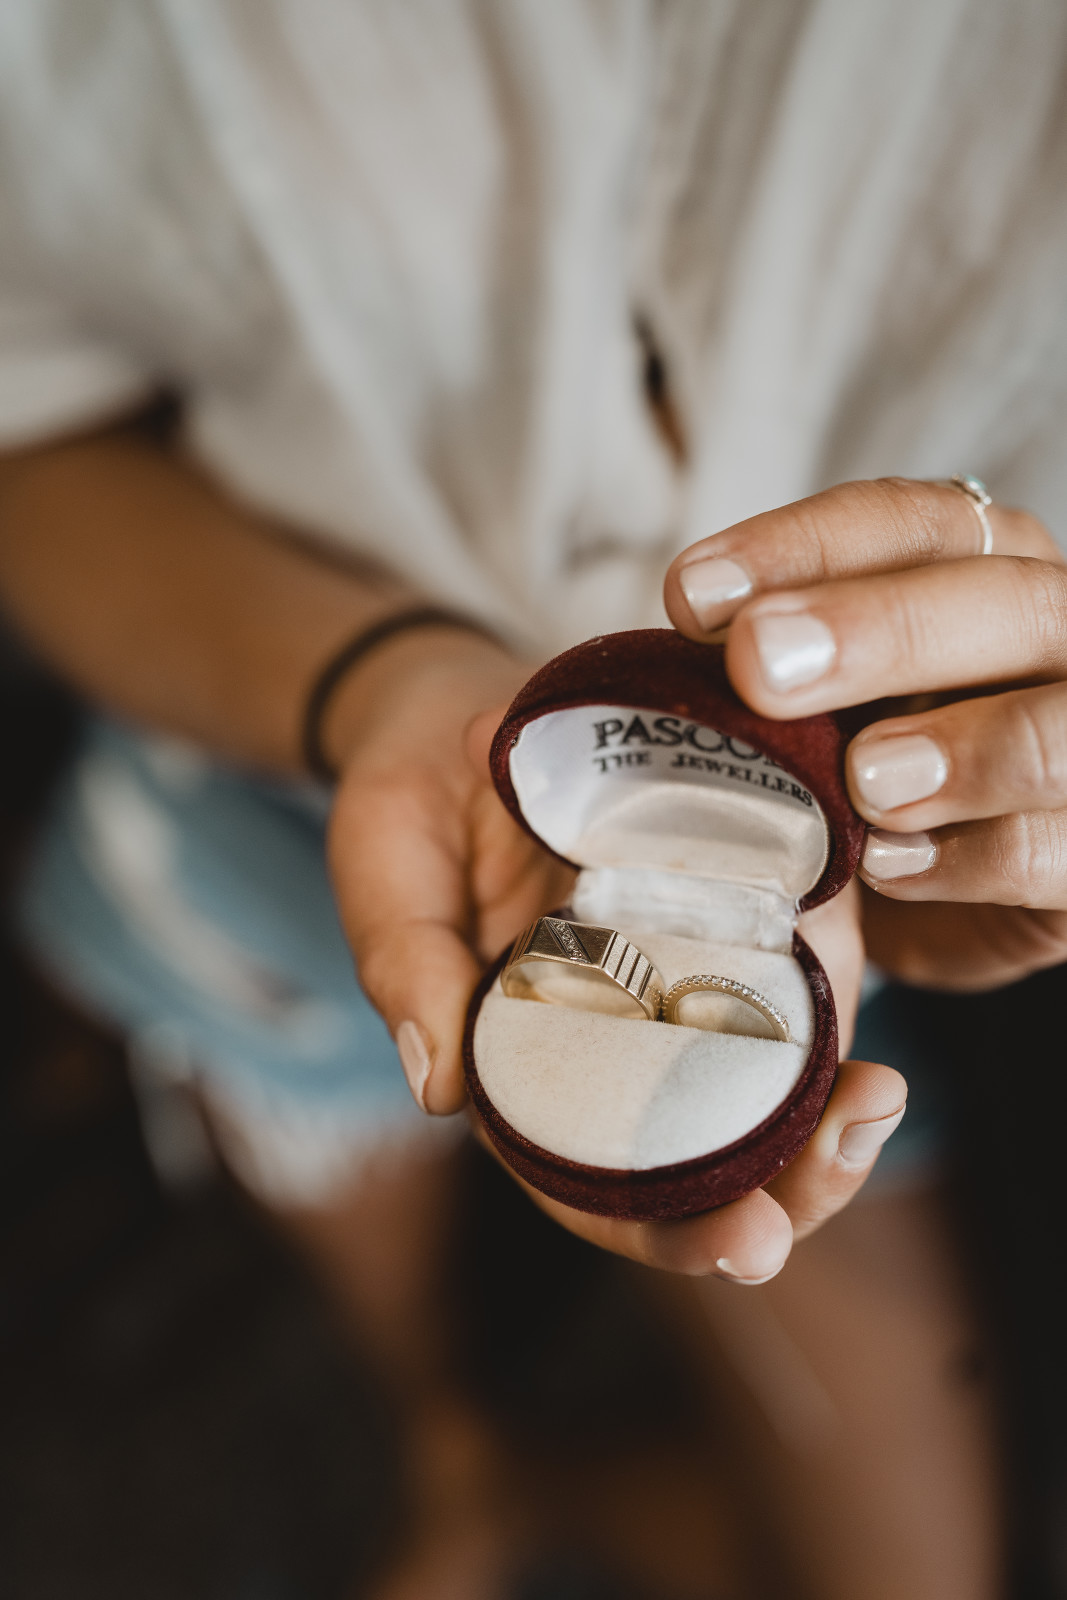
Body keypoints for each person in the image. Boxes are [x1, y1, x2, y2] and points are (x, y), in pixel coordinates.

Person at [2, 3, 1066, 1594]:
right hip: (244, 744)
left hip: (838, 905)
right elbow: (28, 434)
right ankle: (457, 1458)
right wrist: (381, 686)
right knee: (384, 1273)